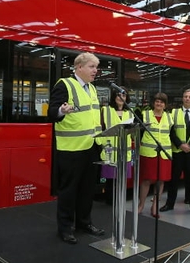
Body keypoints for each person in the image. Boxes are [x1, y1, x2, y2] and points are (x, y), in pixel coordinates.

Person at [48, 52, 105, 244]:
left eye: (96, 67)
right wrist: (61, 111)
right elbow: (52, 112)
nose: (95, 71)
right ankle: (65, 228)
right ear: (79, 67)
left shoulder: (92, 89)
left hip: (91, 147)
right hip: (71, 149)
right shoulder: (65, 84)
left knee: (87, 190)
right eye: (92, 67)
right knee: (68, 191)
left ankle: (84, 223)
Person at [161, 88, 190, 215]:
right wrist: (180, 145)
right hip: (178, 152)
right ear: (182, 98)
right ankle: (169, 204)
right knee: (173, 180)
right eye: (185, 96)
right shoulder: (174, 113)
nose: (187, 99)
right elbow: (171, 131)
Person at [138, 93, 173, 217]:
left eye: (162, 102)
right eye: (157, 101)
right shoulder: (145, 115)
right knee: (146, 180)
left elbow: (172, 135)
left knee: (160, 180)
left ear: (165, 104)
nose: (159, 104)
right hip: (148, 152)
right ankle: (141, 205)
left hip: (164, 153)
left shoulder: (170, 117)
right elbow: (137, 133)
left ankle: (155, 206)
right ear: (153, 103)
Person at [99, 87, 133, 202]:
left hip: (125, 152)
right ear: (114, 97)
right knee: (110, 182)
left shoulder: (130, 113)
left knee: (122, 181)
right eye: (118, 95)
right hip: (110, 152)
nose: (120, 97)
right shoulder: (106, 110)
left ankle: (120, 201)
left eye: (123, 95)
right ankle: (109, 203)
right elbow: (100, 128)